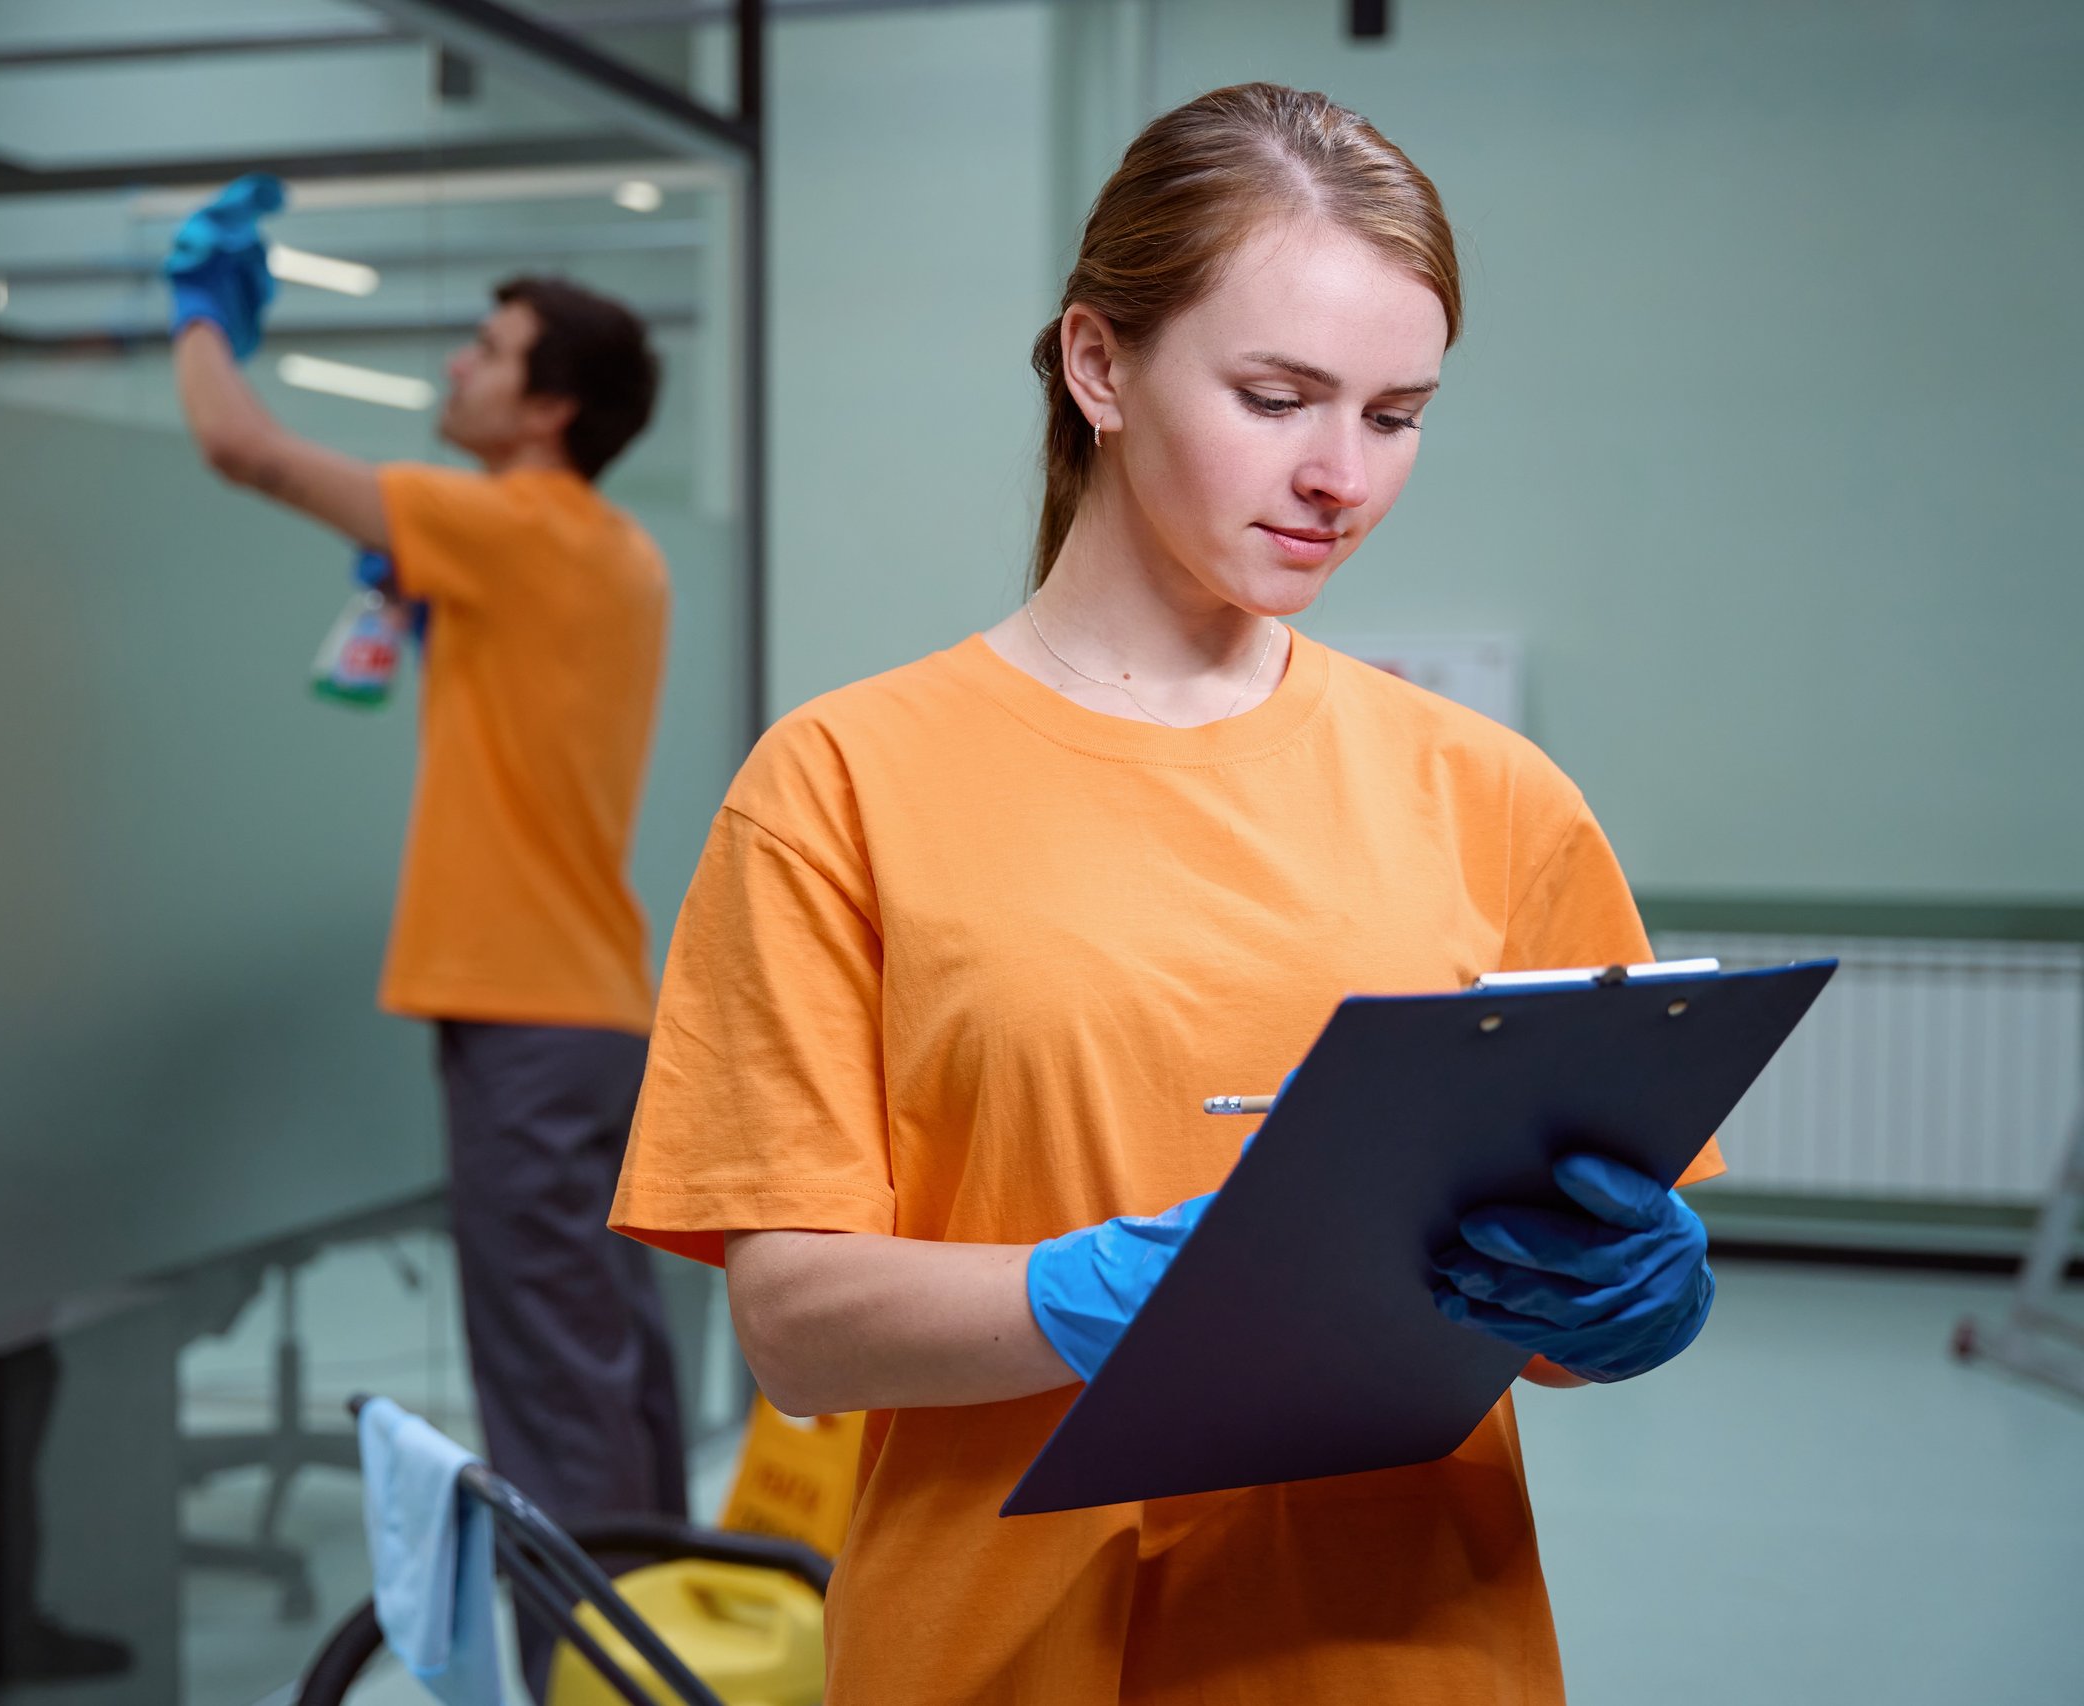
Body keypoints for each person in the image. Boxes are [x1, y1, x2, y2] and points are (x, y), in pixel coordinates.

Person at [611, 84, 1721, 1703]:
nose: (1340, 475)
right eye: (1277, 397)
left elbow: (1548, 1299)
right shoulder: (840, 783)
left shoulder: (1492, 798)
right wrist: (1107, 1289)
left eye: (1397, 415)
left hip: (1402, 1645)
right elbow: (793, 1324)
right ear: (1099, 363)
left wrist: (1619, 1290)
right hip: (1004, 1648)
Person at [163, 177, 689, 1668]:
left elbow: (236, 442)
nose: (457, 363)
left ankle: (586, 1678)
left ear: (551, 407)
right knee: (614, 1367)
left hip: (524, 1018)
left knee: (548, 1385)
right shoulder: (614, 552)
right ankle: (658, 1647)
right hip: (596, 1010)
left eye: (489, 346)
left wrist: (202, 318)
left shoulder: (509, 528)